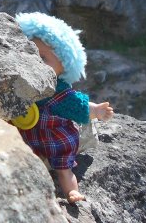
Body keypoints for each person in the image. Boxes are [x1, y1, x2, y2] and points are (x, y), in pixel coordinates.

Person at [12, 13, 115, 204]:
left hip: (55, 138)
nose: (36, 62)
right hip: (27, 137)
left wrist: (97, 111)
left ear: (63, 69)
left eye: (43, 58)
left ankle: (72, 192)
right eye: (30, 53)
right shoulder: (20, 82)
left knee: (63, 169)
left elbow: (78, 106)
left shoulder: (57, 92)